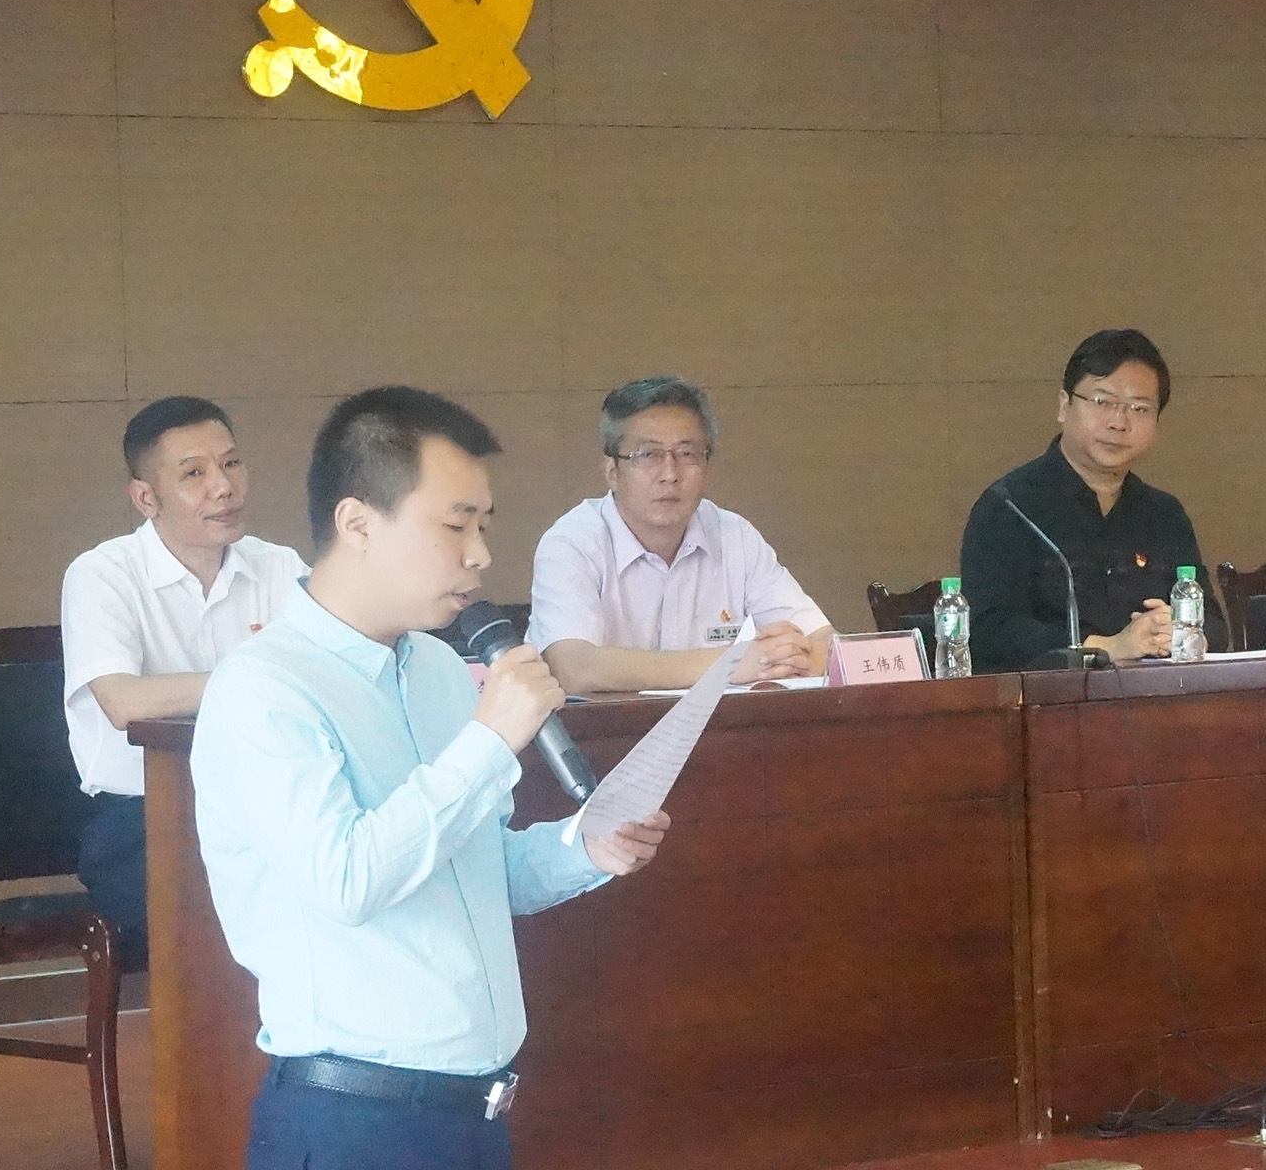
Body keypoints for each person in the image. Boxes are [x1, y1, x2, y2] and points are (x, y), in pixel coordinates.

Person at [193, 386, 668, 1170]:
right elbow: (347, 879)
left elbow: (479, 865)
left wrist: (586, 847)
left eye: (484, 525)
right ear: (358, 524)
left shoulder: (443, 671)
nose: (479, 554)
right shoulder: (264, 688)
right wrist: (489, 741)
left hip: (475, 1110)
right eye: (455, 525)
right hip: (351, 1120)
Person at [60, 396, 305, 969]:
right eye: (194, 473)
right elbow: (123, 701)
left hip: (267, 806)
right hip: (145, 821)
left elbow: (326, 674)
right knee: (240, 921)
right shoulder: (102, 575)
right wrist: (253, 678)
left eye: (232, 464)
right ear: (146, 498)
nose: (224, 487)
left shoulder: (280, 568)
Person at [527, 375, 832, 693]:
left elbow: (825, 644)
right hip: (608, 725)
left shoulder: (734, 536)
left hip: (719, 724)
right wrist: (731, 663)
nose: (670, 474)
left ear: (707, 468)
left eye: (687, 454)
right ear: (612, 472)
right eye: (648, 455)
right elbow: (573, 667)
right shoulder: (572, 543)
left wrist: (787, 657)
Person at [960, 329, 1227, 672]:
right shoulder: (1010, 506)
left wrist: (1177, 632)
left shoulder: (1163, 514)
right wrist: (1107, 647)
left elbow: (1215, 627)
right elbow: (990, 633)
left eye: (1139, 408)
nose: (1119, 422)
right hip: (1045, 701)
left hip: (1154, 698)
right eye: (1102, 402)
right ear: (1064, 406)